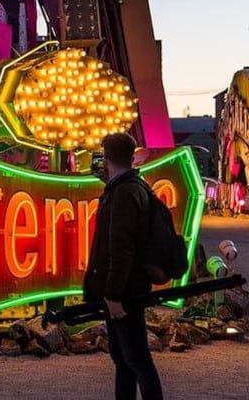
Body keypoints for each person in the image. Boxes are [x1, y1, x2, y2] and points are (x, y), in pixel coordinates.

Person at [84, 132, 163, 400]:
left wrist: (114, 295)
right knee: (124, 360)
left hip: (125, 291)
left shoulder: (123, 194)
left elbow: (121, 249)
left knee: (137, 359)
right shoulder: (135, 187)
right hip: (131, 285)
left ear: (107, 158)